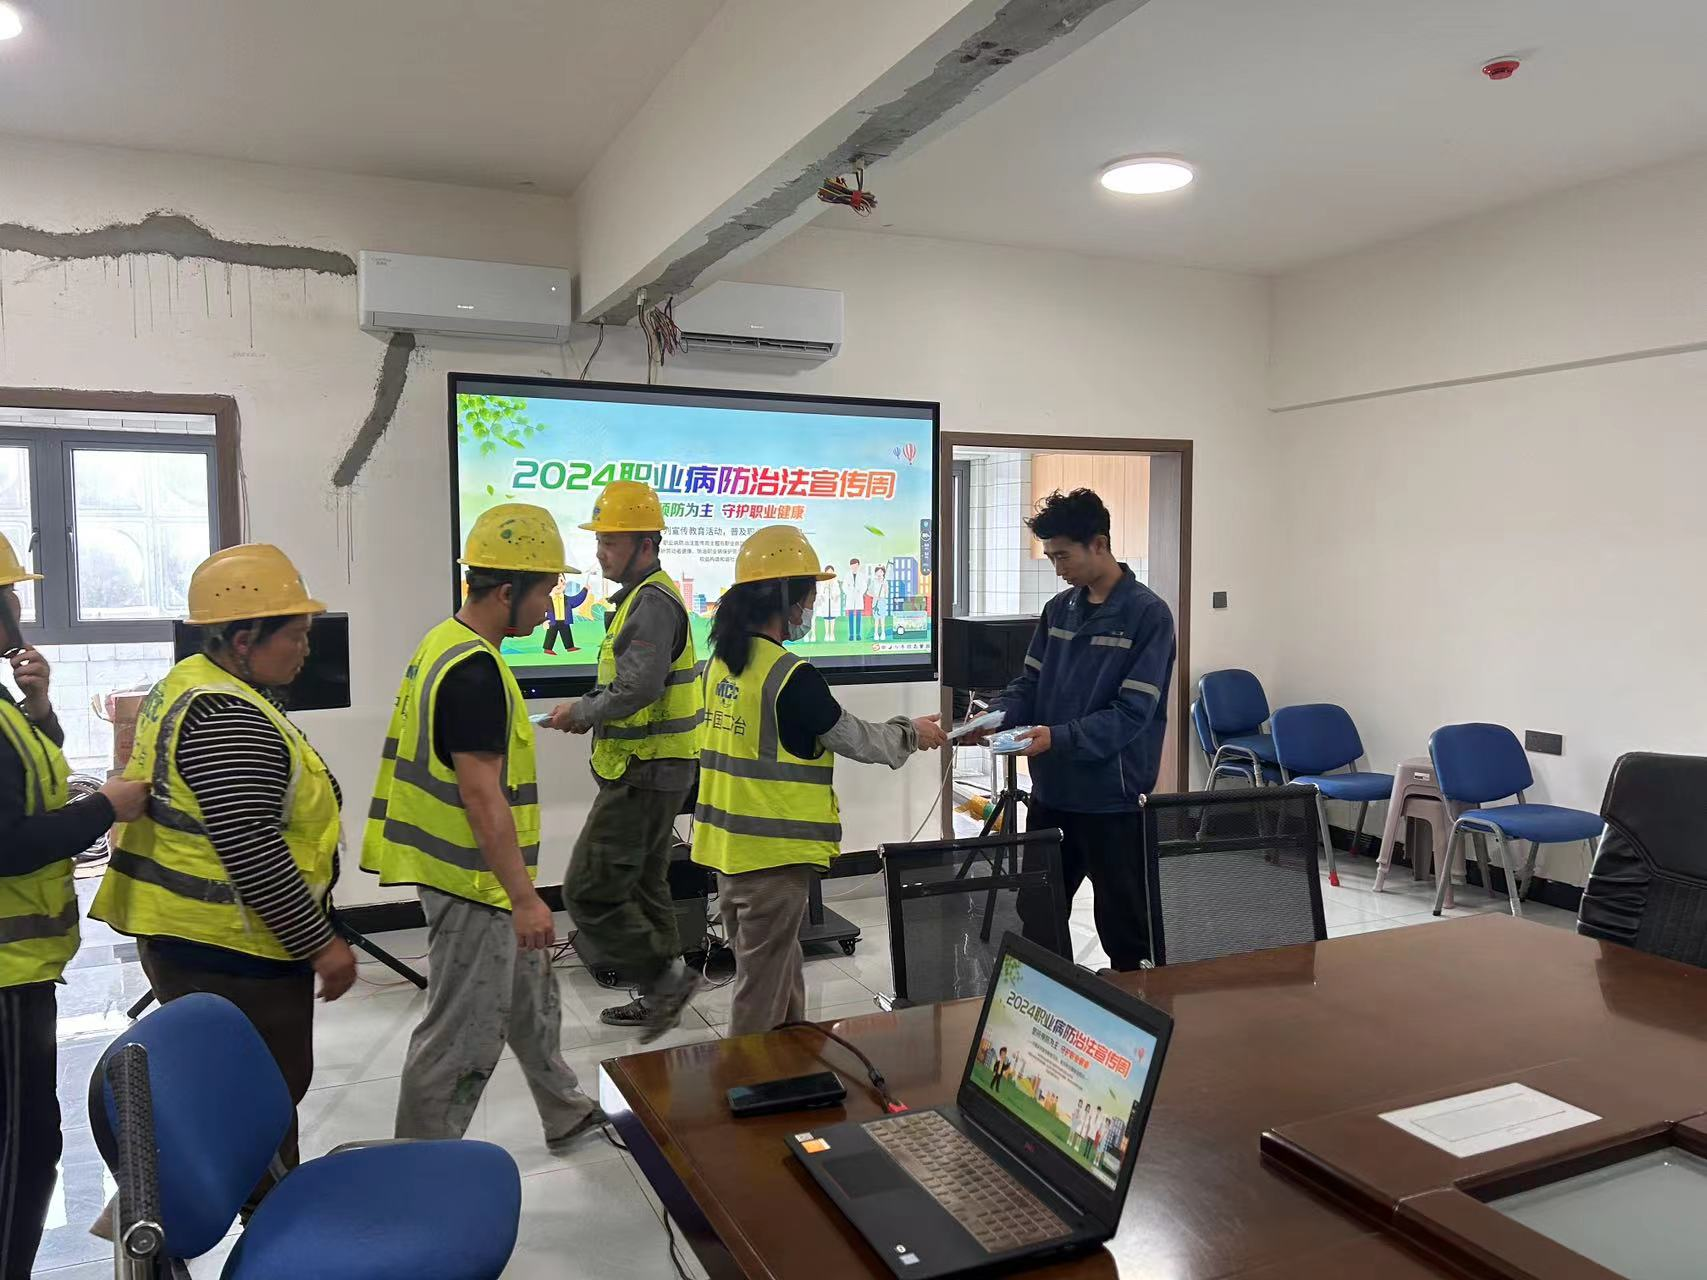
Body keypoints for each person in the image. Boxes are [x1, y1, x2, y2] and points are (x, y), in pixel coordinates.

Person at [92, 544, 352, 1213]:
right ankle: (271, 1224)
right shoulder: (227, 715)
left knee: (238, 1092)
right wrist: (321, 944)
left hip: (194, 936)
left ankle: (263, 1208)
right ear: (243, 641)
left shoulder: (191, 684)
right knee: (260, 1100)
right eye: (295, 635)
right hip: (230, 945)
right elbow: (251, 846)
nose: (306, 649)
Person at [364, 503, 602, 1149]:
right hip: (472, 883)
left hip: (475, 875)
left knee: (531, 995)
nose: (550, 607)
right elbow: (481, 795)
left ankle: (564, 1109)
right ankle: (422, 1169)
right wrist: (524, 897)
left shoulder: (446, 643)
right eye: (545, 592)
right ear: (506, 593)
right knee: (462, 1035)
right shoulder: (473, 672)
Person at [692, 526, 946, 1035]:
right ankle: (747, 1078)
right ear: (785, 599)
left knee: (778, 970)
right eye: (809, 598)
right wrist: (911, 733)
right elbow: (858, 739)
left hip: (728, 850)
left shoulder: (718, 664)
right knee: (760, 992)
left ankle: (791, 1065)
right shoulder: (791, 675)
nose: (809, 609)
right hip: (773, 858)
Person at [0, 536, 146, 1278]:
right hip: (4, 976)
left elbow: (27, 777)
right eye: (10, 597)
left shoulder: (5, 704)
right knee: (19, 1157)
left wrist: (40, 707)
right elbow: (9, 842)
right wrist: (106, 807)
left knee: (31, 1147)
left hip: (22, 969)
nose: (18, 610)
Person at [980, 488, 1176, 972]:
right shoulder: (1059, 610)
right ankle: (1049, 1004)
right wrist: (993, 718)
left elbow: (1132, 712)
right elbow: (1029, 685)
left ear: (1099, 544)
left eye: (1063, 556)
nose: (1057, 567)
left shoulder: (1147, 615)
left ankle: (1133, 1007)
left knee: (1126, 932)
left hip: (1113, 802)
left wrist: (1059, 737)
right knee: (1039, 918)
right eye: (1050, 557)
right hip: (1052, 794)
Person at [549, 481, 703, 1041]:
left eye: (610, 542)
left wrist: (582, 712)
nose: (600, 553)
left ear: (646, 544)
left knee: (588, 888)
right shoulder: (641, 598)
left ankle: (664, 984)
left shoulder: (652, 603)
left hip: (647, 768)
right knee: (645, 882)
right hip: (651, 765)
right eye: (599, 541)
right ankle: (664, 990)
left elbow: (637, 688)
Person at [540, 573, 577, 656]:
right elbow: (540, 609)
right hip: (553, 621)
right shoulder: (547, 600)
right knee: (550, 634)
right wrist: (544, 621)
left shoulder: (566, 599)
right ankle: (547, 648)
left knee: (566, 633)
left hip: (564, 621)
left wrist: (585, 590)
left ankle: (570, 647)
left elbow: (577, 600)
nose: (559, 584)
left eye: (561, 581)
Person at [843, 557, 867, 642]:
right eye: (853, 565)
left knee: (858, 618)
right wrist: (849, 592)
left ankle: (858, 634)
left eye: (856, 565)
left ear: (858, 566)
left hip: (858, 598)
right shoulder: (847, 575)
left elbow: (864, 586)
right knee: (851, 618)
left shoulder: (861, 575)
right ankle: (851, 635)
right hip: (850, 598)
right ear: (850, 566)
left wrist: (860, 592)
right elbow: (844, 587)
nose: (854, 567)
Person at [817, 567, 843, 643]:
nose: (830, 573)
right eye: (828, 572)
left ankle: (832, 634)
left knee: (832, 618)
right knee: (826, 618)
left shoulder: (835, 582)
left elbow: (838, 592)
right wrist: (825, 589)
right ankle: (826, 634)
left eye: (831, 571)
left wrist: (834, 595)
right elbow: (820, 592)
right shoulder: (823, 582)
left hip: (833, 602)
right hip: (825, 602)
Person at [870, 565, 891, 641]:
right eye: (877, 571)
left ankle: (883, 633)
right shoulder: (873, 582)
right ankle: (876, 633)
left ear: (883, 573)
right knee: (876, 619)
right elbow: (869, 592)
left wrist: (885, 588)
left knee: (882, 618)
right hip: (875, 601)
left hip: (882, 601)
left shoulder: (885, 582)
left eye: (881, 571)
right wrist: (875, 596)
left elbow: (887, 594)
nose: (879, 573)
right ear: (875, 573)